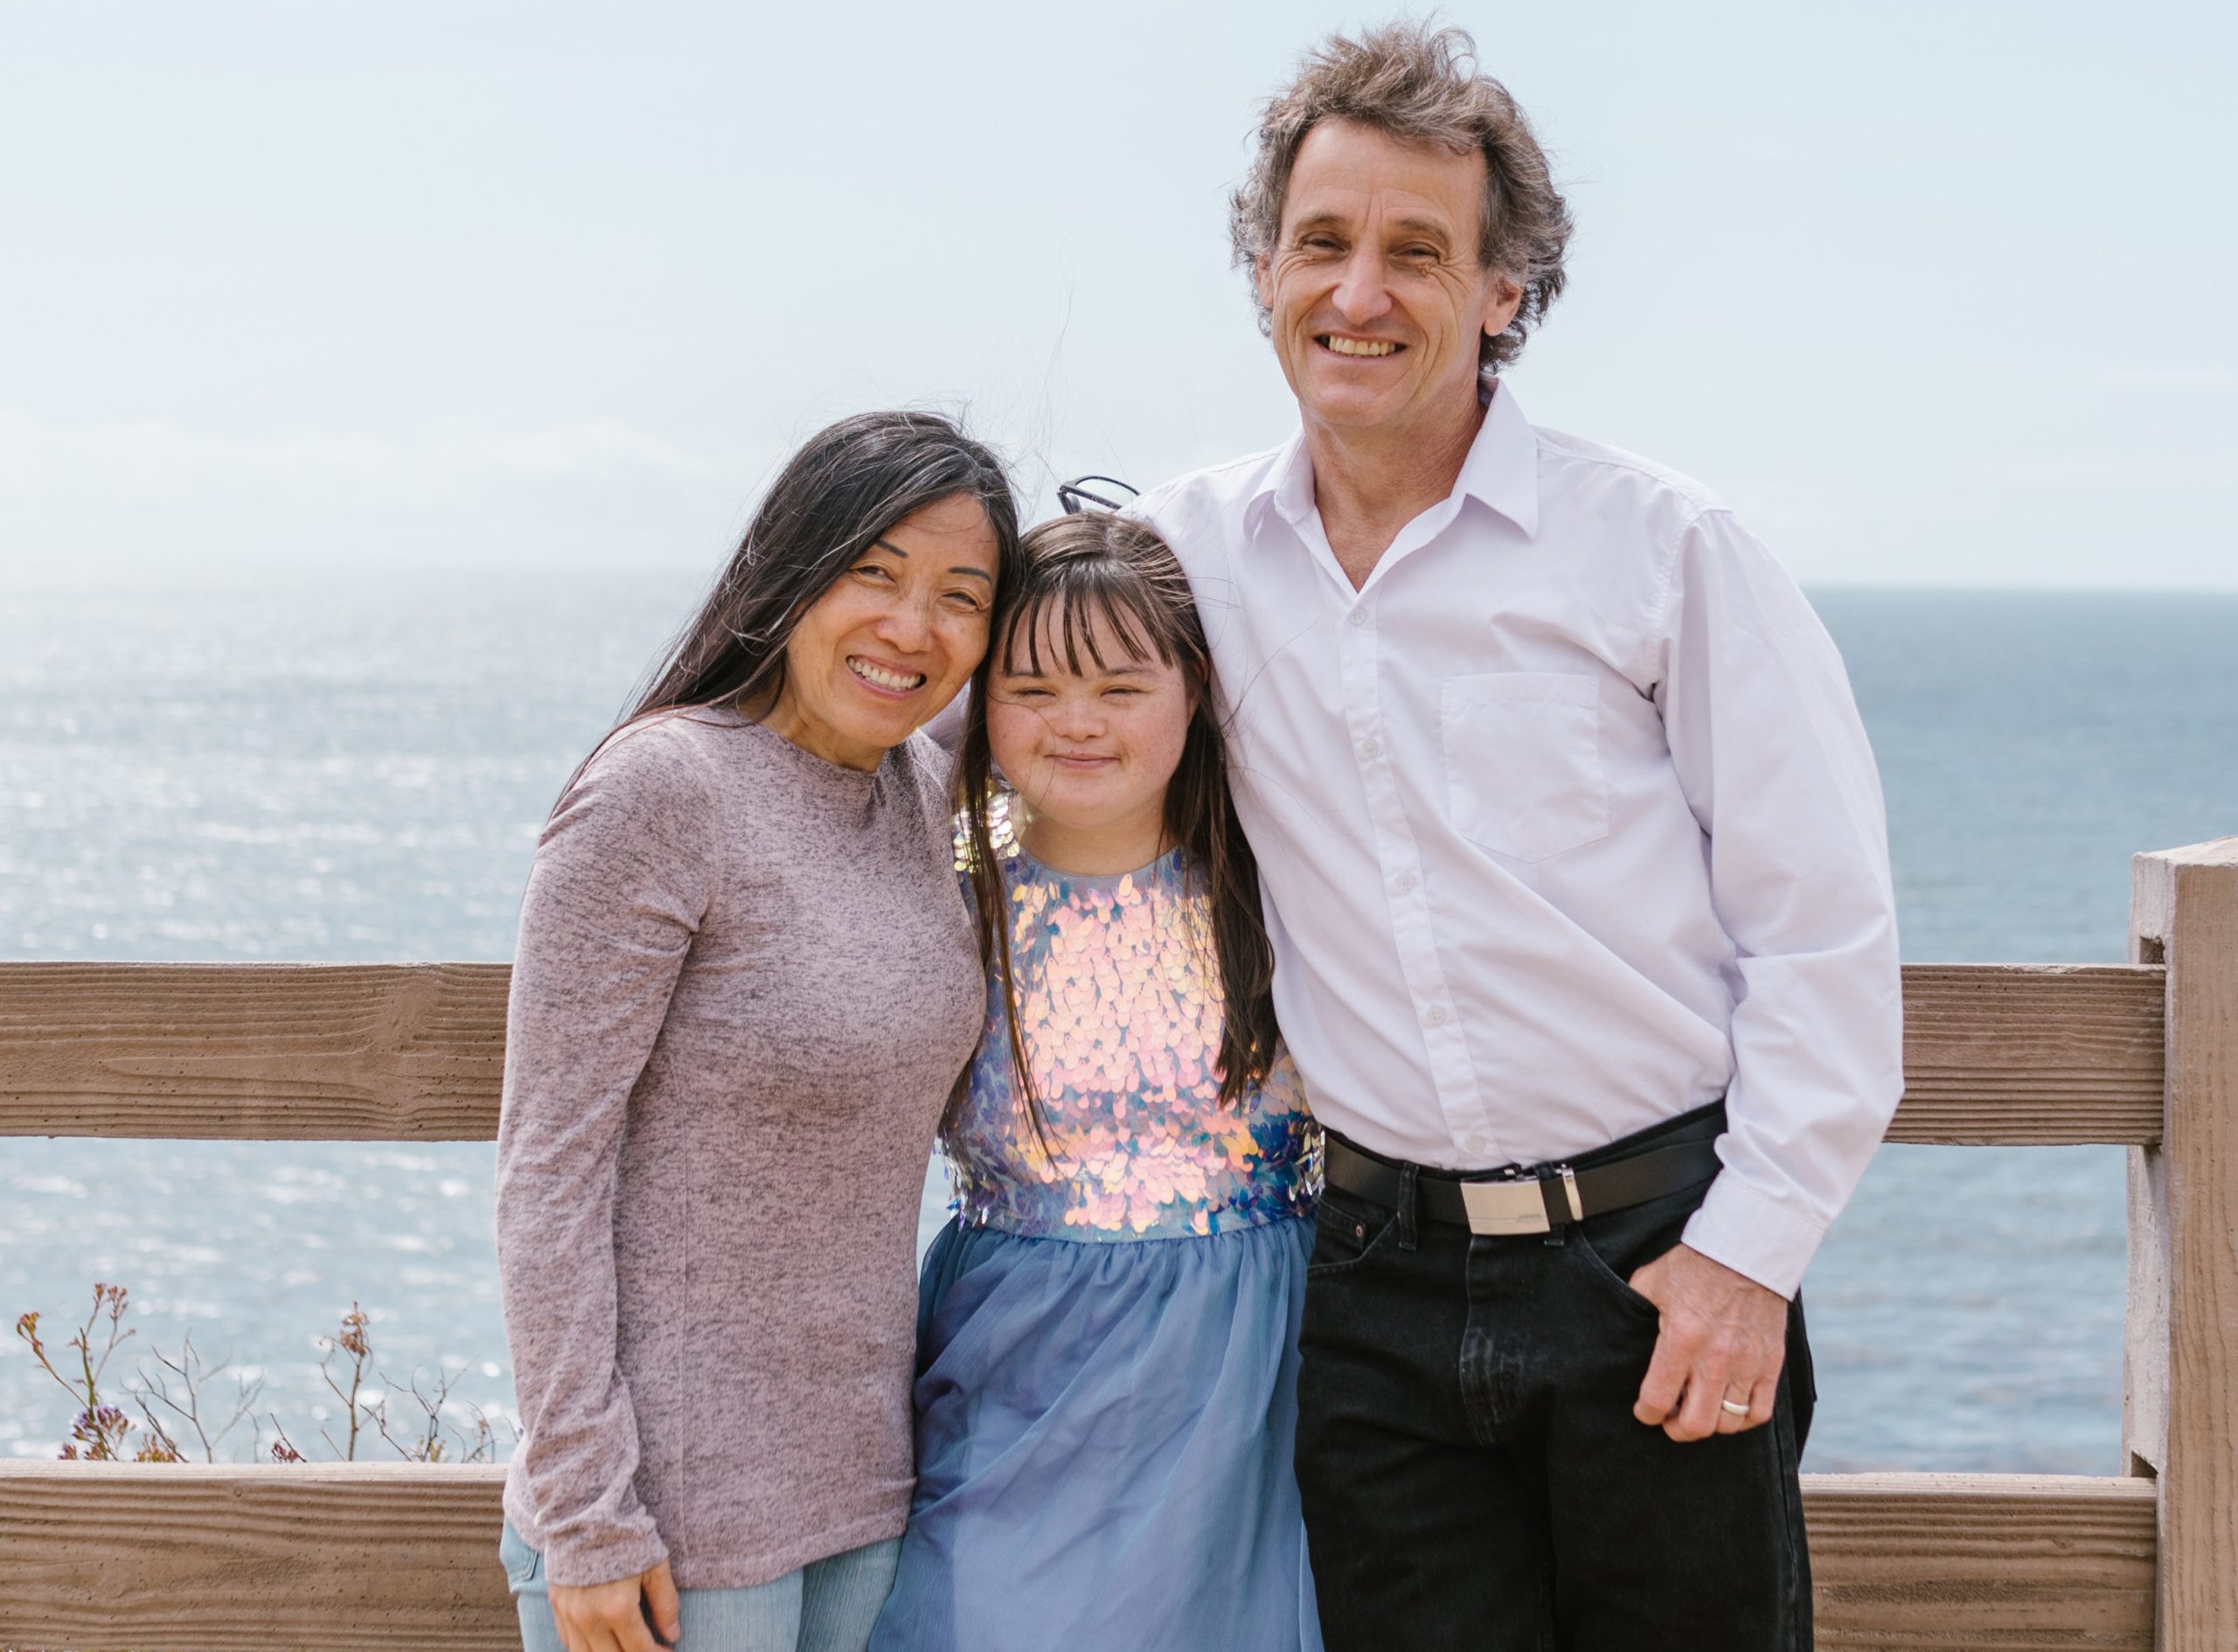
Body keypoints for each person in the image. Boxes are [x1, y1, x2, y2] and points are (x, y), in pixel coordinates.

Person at [1129, 23, 1905, 1651]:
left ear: (1503, 292)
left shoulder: (1663, 547)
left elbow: (1823, 929)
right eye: (1323, 243)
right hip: (1367, 1284)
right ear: (1261, 268)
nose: (1360, 293)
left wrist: (1746, 1259)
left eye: (1419, 252)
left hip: (1656, 1263)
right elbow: (979, 730)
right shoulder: (1178, 560)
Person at [493, 410, 1021, 1652]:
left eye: (962, 595)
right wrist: (586, 1512)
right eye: (874, 573)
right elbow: (546, 1170)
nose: (912, 627)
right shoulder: (665, 790)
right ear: (791, 570)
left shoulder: (932, 792)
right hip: (672, 1516)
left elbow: (1114, 698)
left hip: (868, 1493)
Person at [868, 512, 1323, 1652]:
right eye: (1030, 687)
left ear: (1197, 689)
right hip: (1014, 1371)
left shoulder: (1285, 894)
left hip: (1240, 1381)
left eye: (1121, 688)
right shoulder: (942, 898)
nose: (1076, 723)